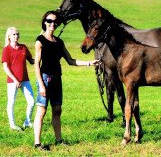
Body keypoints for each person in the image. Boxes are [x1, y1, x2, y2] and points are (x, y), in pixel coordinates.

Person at [33, 10, 100, 150]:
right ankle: (37, 143)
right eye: (49, 21)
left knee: (57, 110)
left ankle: (59, 140)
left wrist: (88, 63)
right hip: (45, 79)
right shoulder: (40, 41)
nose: (52, 24)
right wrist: (41, 85)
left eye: (55, 22)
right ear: (45, 22)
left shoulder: (59, 42)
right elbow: (36, 65)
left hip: (57, 79)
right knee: (41, 111)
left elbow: (70, 60)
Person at [1, 27, 35, 131]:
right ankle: (12, 124)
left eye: (17, 34)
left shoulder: (23, 47)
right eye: (14, 34)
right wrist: (15, 80)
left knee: (32, 101)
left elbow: (32, 61)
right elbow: (5, 67)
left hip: (25, 79)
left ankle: (27, 122)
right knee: (11, 102)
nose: (16, 36)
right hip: (12, 81)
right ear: (9, 36)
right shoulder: (6, 49)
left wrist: (40, 53)